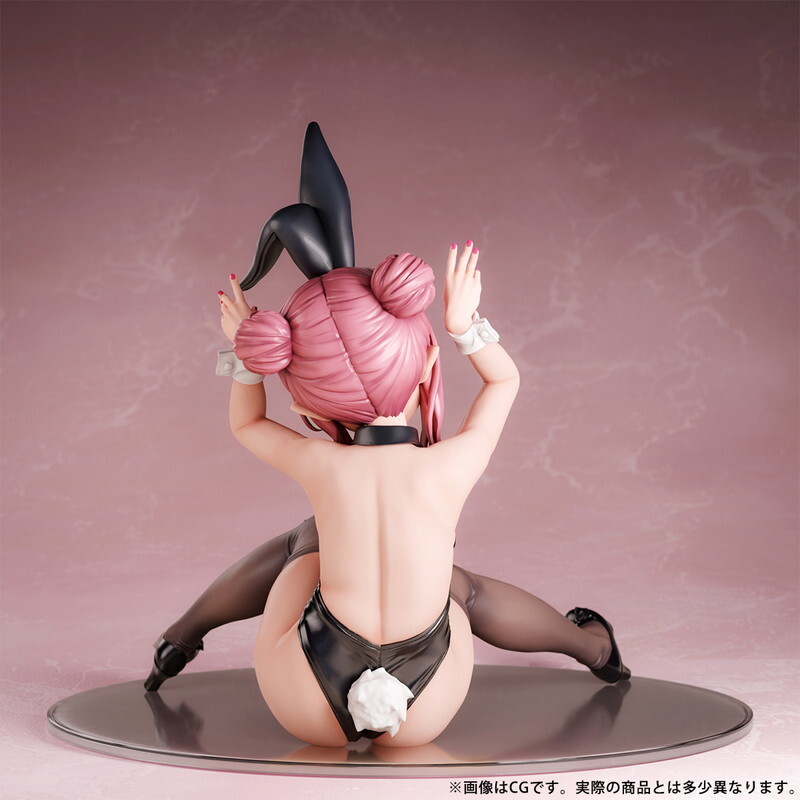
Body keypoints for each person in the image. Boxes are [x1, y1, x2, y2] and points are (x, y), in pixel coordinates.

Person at [145, 244, 629, 748]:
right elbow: (504, 379)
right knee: (459, 588)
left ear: (304, 405)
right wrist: (463, 325)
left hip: (307, 695)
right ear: (427, 362)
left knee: (308, 541)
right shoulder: (453, 461)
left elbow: (247, 422)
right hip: (426, 700)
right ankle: (595, 649)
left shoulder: (321, 462)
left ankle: (180, 638)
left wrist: (247, 355)